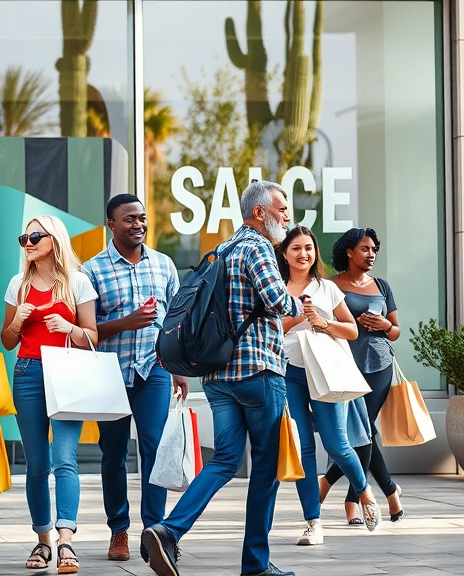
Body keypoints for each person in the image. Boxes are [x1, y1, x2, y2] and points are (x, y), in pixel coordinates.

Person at [141, 180, 302, 576]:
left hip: (217, 375)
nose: (288, 216)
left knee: (225, 459)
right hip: (258, 372)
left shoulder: (223, 250)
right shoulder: (258, 247)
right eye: (282, 209)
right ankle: (255, 566)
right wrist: (301, 303)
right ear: (259, 212)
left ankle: (168, 529)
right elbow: (277, 302)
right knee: (265, 467)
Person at [82, 194, 187, 562]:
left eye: (142, 217)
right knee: (112, 455)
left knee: (154, 450)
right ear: (111, 224)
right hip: (109, 374)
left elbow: (174, 322)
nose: (138, 224)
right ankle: (119, 530)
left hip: (153, 370)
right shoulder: (91, 269)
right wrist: (127, 321)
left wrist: (177, 368)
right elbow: (87, 331)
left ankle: (154, 531)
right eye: (129, 219)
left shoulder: (164, 265)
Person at [1, 216, 98, 574]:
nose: (27, 242)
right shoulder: (17, 284)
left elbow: (93, 337)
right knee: (37, 464)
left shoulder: (78, 282)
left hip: (68, 373)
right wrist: (17, 323)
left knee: (64, 459)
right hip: (27, 374)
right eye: (23, 236)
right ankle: (42, 541)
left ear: (54, 240)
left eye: (35, 236)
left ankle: (65, 540)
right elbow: (7, 341)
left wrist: (70, 327)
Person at [277, 226, 382, 545]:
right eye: (296, 248)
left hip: (325, 372)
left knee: (337, 445)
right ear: (285, 253)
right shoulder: (276, 288)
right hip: (290, 374)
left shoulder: (326, 289)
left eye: (308, 248)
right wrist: (297, 317)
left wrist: (323, 322)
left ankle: (363, 491)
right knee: (303, 448)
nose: (303, 254)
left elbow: (351, 331)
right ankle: (313, 522)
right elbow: (273, 331)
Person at [320, 228, 404, 523]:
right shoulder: (330, 285)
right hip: (344, 367)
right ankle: (390, 493)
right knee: (360, 434)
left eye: (374, 250)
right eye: (365, 249)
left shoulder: (381, 286)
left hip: (379, 366)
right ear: (349, 252)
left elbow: (395, 332)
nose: (371, 255)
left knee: (363, 431)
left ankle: (344, 495)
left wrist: (383, 324)